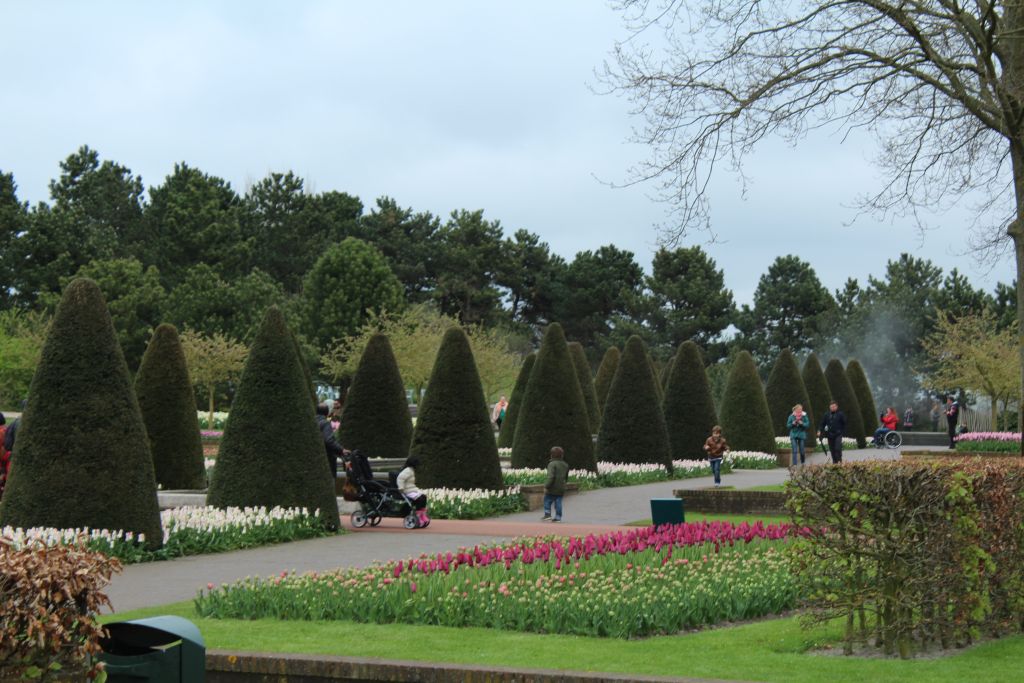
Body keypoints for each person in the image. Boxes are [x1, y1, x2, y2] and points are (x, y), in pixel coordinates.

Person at [396, 456, 430, 527]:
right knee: (420, 499)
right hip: (407, 491)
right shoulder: (407, 470)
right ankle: (418, 515)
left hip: (412, 489)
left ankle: (421, 514)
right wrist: (401, 488)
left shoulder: (411, 470)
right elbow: (400, 478)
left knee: (423, 497)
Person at [316, 403, 345, 479]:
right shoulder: (325, 423)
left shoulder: (312, 422)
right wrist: (341, 449)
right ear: (327, 413)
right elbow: (329, 440)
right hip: (327, 461)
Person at [542, 446, 569, 522]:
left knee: (547, 500)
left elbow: (551, 476)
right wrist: (564, 484)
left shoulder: (552, 464)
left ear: (551, 455)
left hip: (552, 488)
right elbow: (566, 477)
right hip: (561, 488)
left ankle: (547, 514)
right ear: (562, 455)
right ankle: (558, 517)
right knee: (558, 502)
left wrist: (546, 486)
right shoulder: (565, 464)